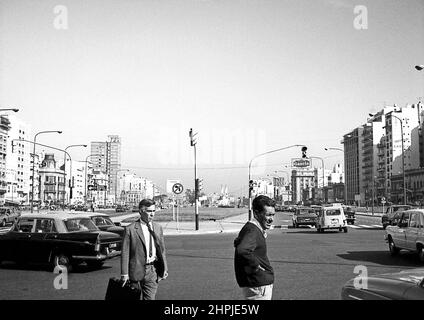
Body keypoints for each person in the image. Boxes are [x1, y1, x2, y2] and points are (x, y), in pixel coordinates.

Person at [120, 199, 168, 300]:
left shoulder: (158, 227)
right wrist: (124, 274)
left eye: (154, 211)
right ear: (141, 211)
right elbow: (125, 253)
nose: (152, 214)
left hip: (152, 270)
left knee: (150, 298)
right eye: (149, 211)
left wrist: (165, 268)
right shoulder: (130, 229)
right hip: (135, 271)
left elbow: (162, 250)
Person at [234, 195, 275, 300]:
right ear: (256, 213)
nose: (272, 219)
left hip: (257, 283)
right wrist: (256, 266)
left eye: (273, 215)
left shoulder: (253, 229)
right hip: (259, 286)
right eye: (268, 215)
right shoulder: (252, 230)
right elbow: (243, 250)